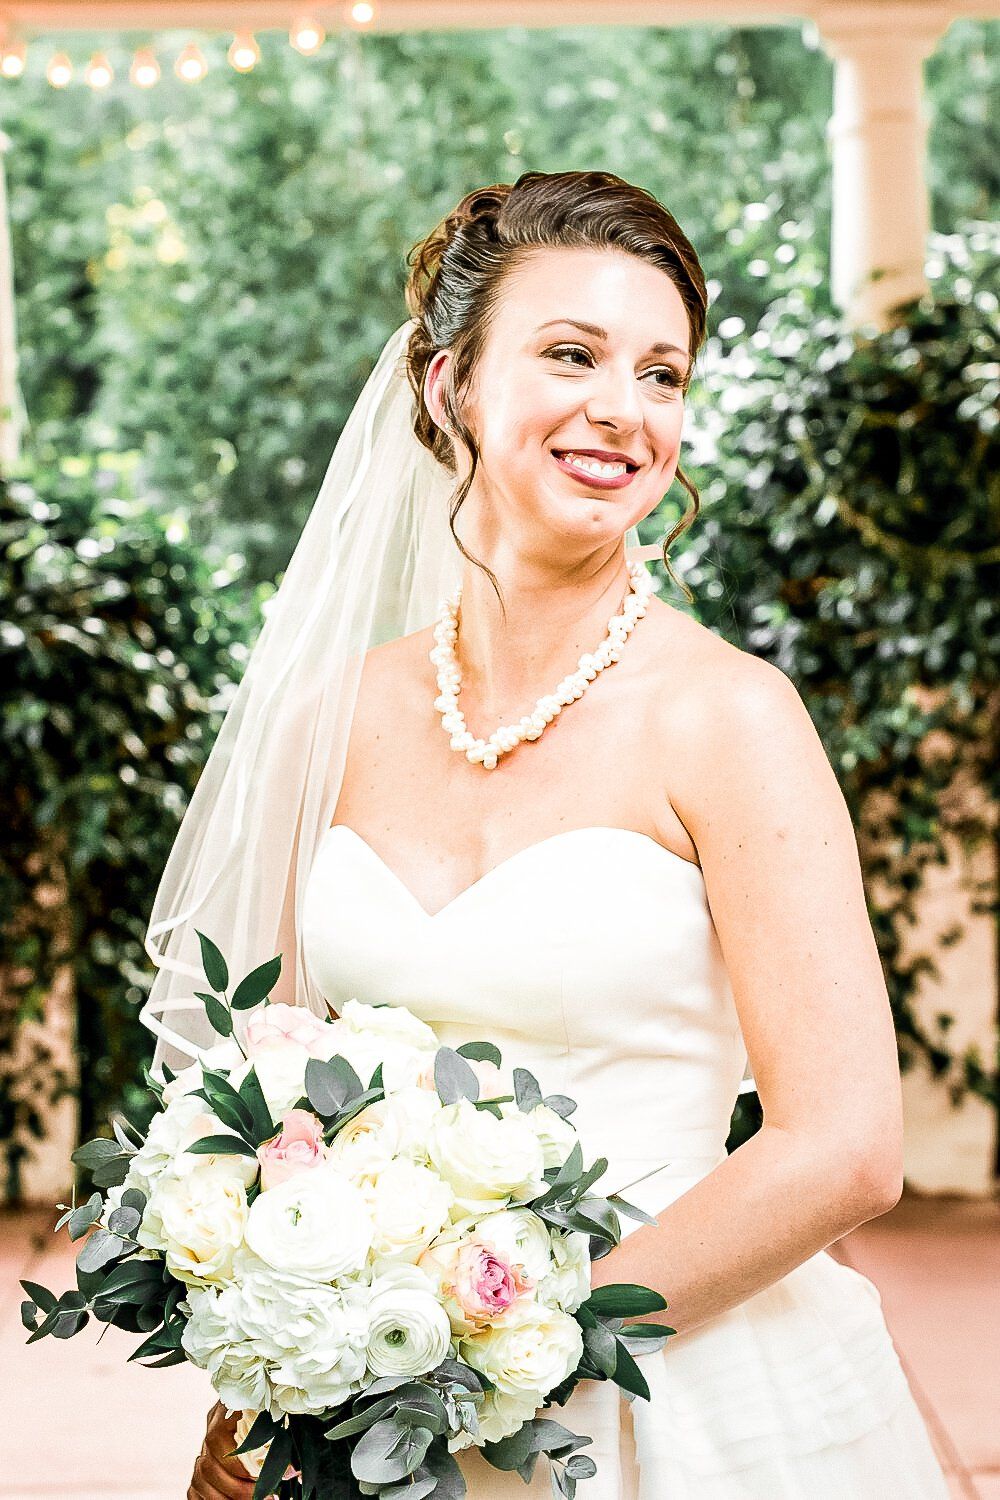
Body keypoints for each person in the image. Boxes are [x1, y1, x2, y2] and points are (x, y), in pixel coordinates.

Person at [166, 170, 950, 1498]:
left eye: (662, 374)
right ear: (450, 386)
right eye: (573, 355)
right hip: (368, 1407)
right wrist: (276, 1349)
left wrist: (503, 1354)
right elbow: (273, 1091)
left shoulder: (731, 718)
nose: (624, 410)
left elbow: (846, 1146)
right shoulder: (333, 714)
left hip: (674, 1389)